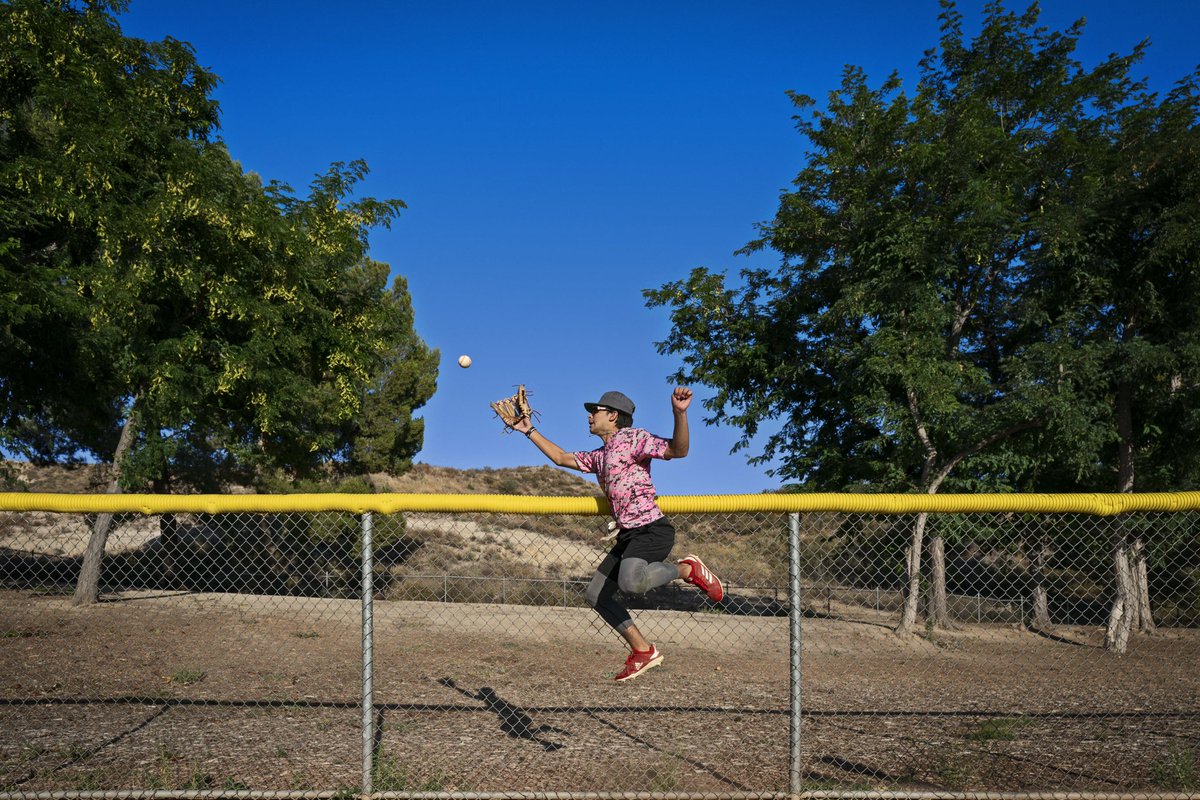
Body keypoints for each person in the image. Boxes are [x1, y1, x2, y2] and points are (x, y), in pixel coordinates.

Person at [510, 387, 724, 682]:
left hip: (651, 530)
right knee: (596, 595)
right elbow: (560, 457)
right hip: (628, 536)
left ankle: (686, 568)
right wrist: (528, 429)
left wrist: (680, 413)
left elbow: (678, 450)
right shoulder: (599, 457)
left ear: (613, 416)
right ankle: (643, 651)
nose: (589, 416)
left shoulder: (634, 439)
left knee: (631, 581)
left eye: (594, 411)